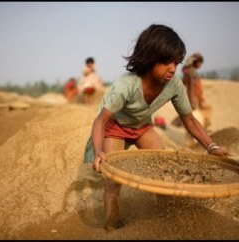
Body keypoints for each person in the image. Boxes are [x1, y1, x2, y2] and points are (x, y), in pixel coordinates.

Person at [82, 24, 231, 232]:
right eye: (165, 62)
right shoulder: (127, 85)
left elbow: (189, 119)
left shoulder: (174, 85)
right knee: (113, 180)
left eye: (176, 63)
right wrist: (98, 151)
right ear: (149, 58)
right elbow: (100, 120)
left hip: (143, 127)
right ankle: (112, 227)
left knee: (163, 171)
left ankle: (165, 221)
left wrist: (212, 146)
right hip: (116, 127)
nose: (172, 68)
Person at [182, 53, 212, 146]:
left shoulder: (188, 71)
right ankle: (194, 142)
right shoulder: (191, 73)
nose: (201, 65)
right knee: (195, 120)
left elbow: (184, 83)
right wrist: (193, 101)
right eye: (201, 63)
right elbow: (191, 87)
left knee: (194, 119)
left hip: (195, 99)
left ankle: (192, 141)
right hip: (194, 100)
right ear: (197, 62)